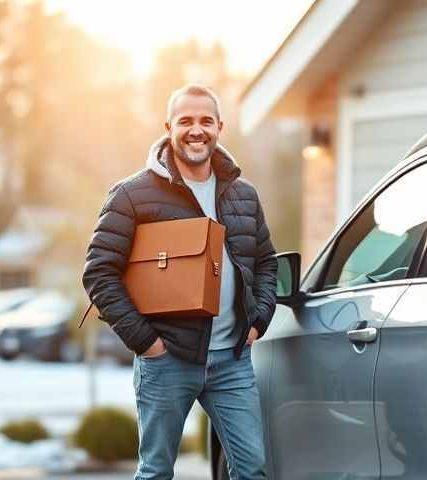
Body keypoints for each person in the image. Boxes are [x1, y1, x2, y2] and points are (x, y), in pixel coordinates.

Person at [82, 84, 277, 480]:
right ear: (169, 126)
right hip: (167, 359)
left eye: (206, 121)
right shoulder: (132, 195)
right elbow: (99, 273)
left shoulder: (244, 195)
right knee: (156, 472)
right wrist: (146, 343)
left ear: (220, 127)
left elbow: (266, 261)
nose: (196, 130)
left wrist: (258, 320)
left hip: (231, 361)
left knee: (252, 468)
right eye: (185, 121)